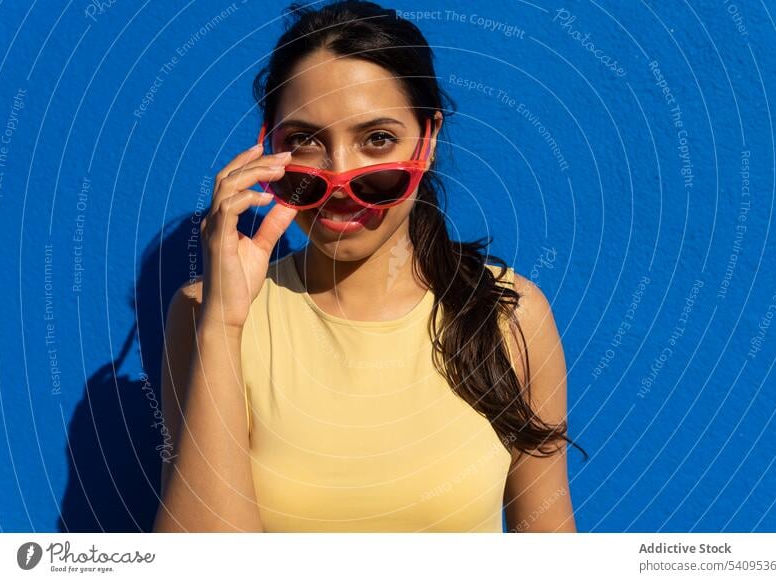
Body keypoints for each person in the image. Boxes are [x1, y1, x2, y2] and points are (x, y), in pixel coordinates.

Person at [153, 0, 585, 533]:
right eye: (305, 141)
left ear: (426, 141)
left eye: (377, 139)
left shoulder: (510, 316)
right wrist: (223, 325)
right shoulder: (202, 314)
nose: (340, 181)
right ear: (271, 149)